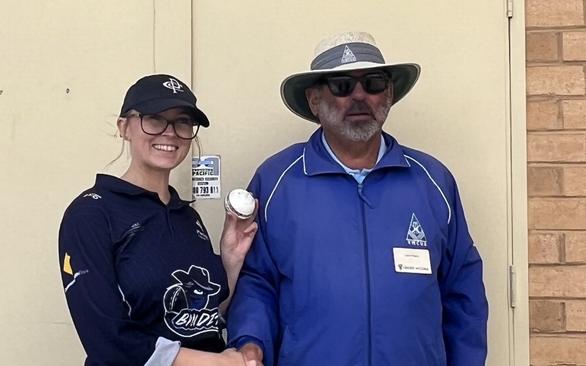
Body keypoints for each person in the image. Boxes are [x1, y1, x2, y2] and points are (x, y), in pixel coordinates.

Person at [226, 32, 488, 366]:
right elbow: (257, 281)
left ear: (389, 94)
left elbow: (463, 292)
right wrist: (250, 342)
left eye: (374, 83)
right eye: (341, 85)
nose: (360, 96)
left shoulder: (432, 181)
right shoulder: (278, 180)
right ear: (314, 100)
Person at [58, 74, 259, 366]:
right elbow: (109, 340)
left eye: (182, 122)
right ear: (123, 127)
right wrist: (220, 363)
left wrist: (230, 259)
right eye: (154, 119)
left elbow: (203, 318)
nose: (170, 132)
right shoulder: (91, 214)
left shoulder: (187, 217)